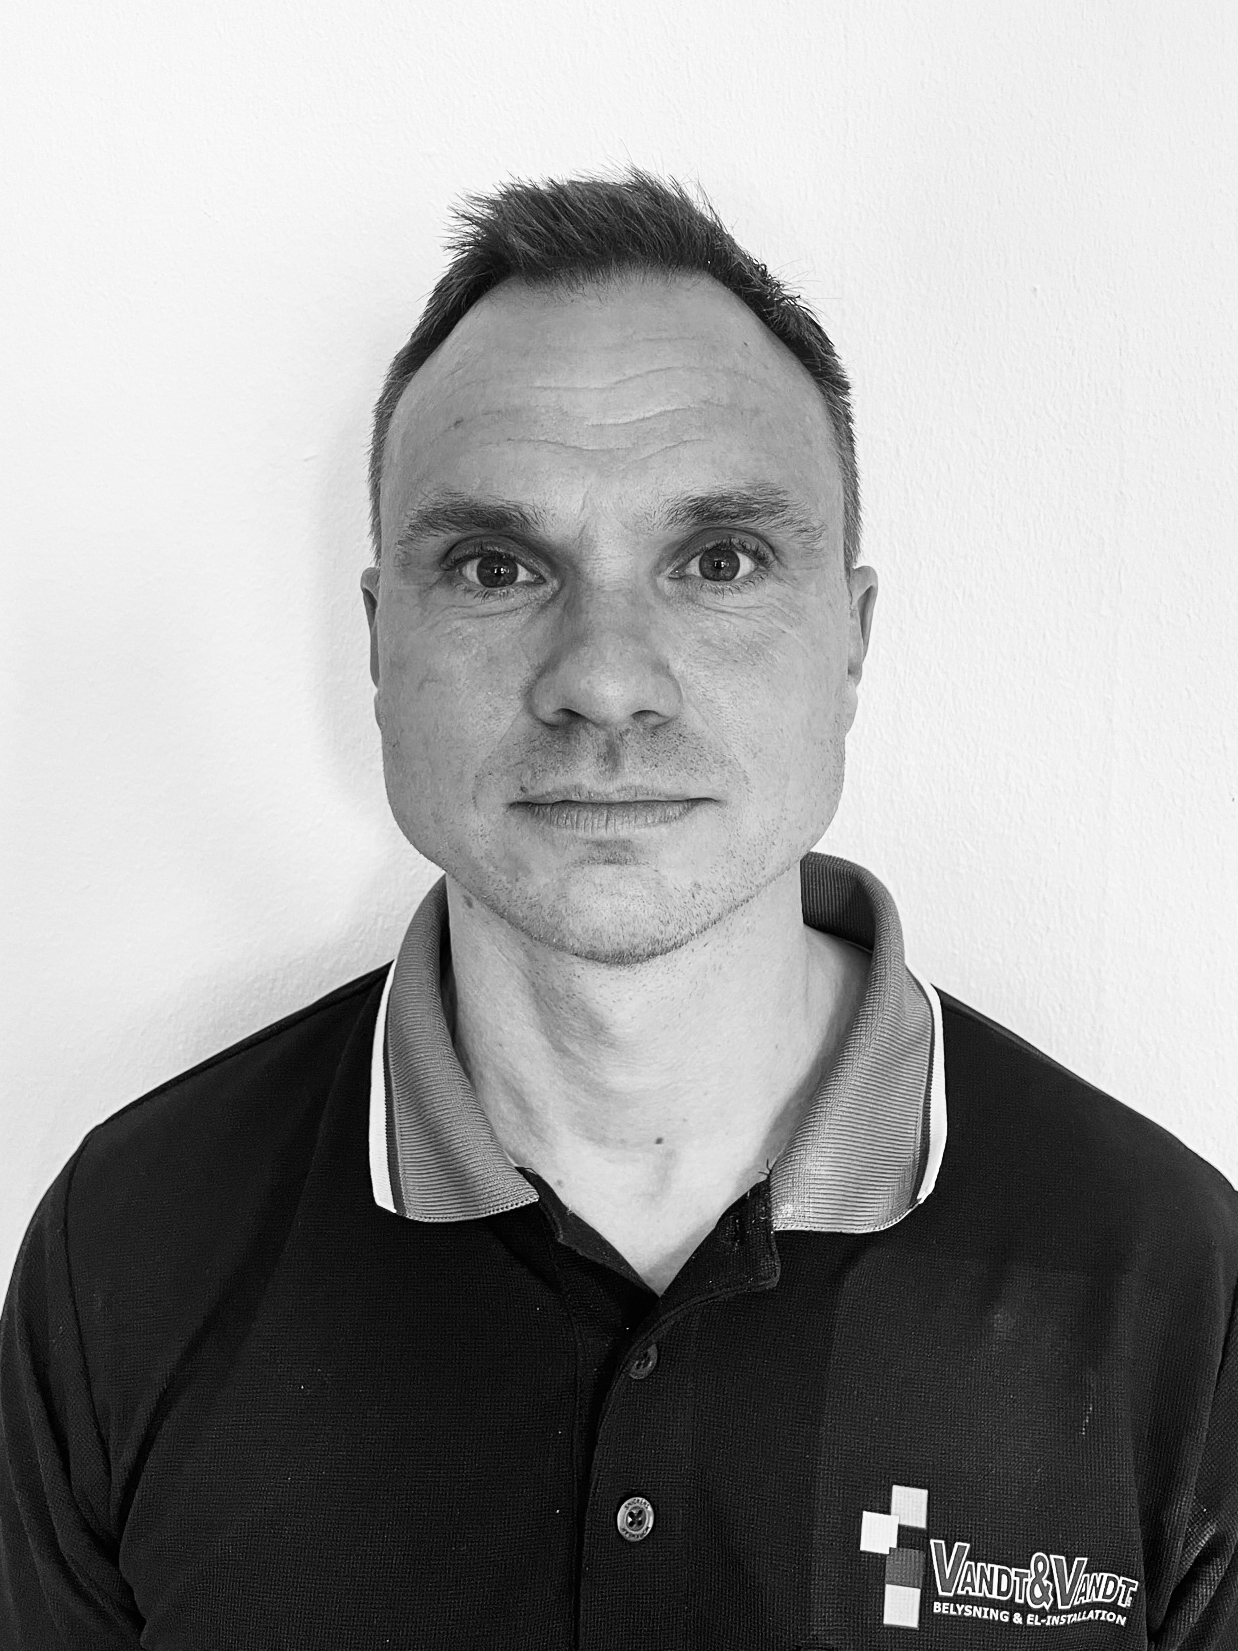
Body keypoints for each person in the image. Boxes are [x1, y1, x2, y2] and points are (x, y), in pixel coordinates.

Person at [1, 169, 1235, 1651]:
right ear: (379, 644)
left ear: (850, 643)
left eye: (716, 562)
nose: (603, 677)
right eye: (495, 566)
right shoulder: (127, 1248)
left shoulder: (1172, 1282)